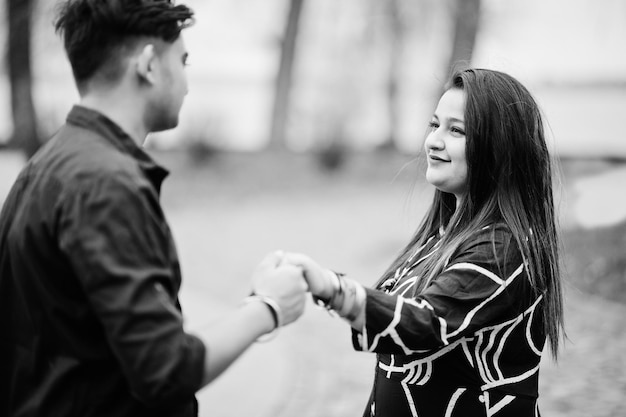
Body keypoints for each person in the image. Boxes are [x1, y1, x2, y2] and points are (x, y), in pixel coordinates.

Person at [0, 1, 308, 416]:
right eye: (182, 61)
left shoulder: (46, 164)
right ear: (148, 64)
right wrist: (268, 307)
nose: (187, 83)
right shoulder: (105, 184)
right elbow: (165, 371)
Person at [285, 68, 564, 417]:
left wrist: (330, 286)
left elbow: (424, 324)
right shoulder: (443, 235)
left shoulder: (506, 248)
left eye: (456, 130)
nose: (433, 141)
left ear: (500, 148)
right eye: (434, 125)